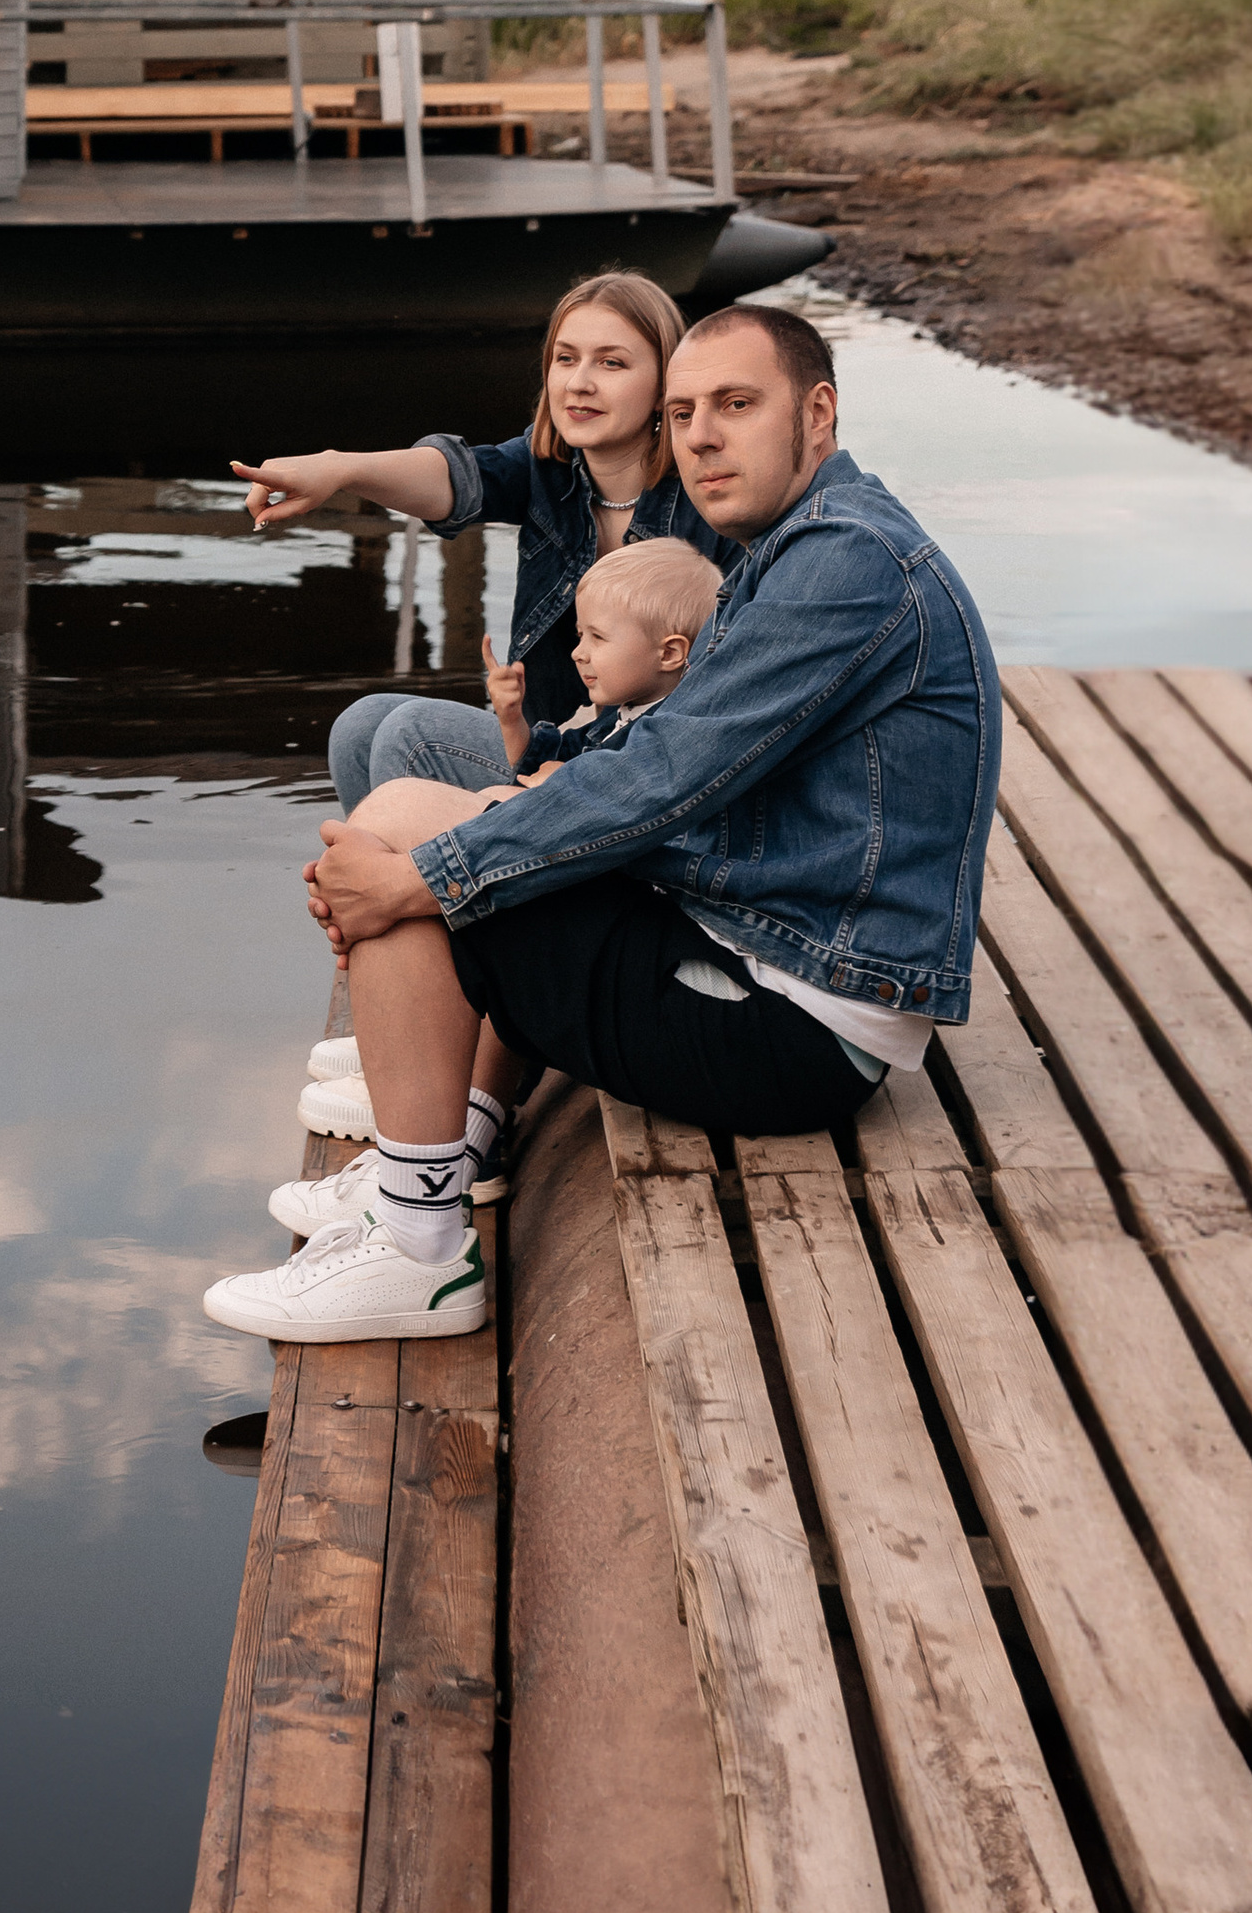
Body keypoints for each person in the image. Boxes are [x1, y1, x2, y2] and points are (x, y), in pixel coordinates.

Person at [204, 301, 1001, 1346]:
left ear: (817, 412)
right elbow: (659, 759)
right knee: (409, 815)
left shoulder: (845, 566)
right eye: (682, 414)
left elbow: (669, 774)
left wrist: (435, 872)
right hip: (758, 943)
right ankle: (451, 1153)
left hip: (798, 1022)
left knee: (415, 861)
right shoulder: (792, 543)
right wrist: (509, 805)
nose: (701, 436)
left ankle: (418, 1249)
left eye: (735, 405)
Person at [271, 536, 726, 1250]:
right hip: (632, 918)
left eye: (597, 638)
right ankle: (444, 1127)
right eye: (580, 634)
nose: (577, 652)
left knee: (438, 842)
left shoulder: (668, 733)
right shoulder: (614, 719)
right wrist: (513, 727)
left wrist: (527, 800)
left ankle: (429, 1189)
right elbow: (549, 766)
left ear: (670, 653)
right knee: (424, 806)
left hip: (654, 938)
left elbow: (606, 805)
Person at [232, 271, 726, 819]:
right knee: (360, 725)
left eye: (611, 363)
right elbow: (455, 477)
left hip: (636, 765)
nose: (579, 383)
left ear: (664, 386)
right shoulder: (550, 472)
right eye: (566, 359)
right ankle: (389, 893)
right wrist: (339, 469)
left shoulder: (709, 500)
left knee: (411, 734)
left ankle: (419, 893)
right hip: (548, 741)